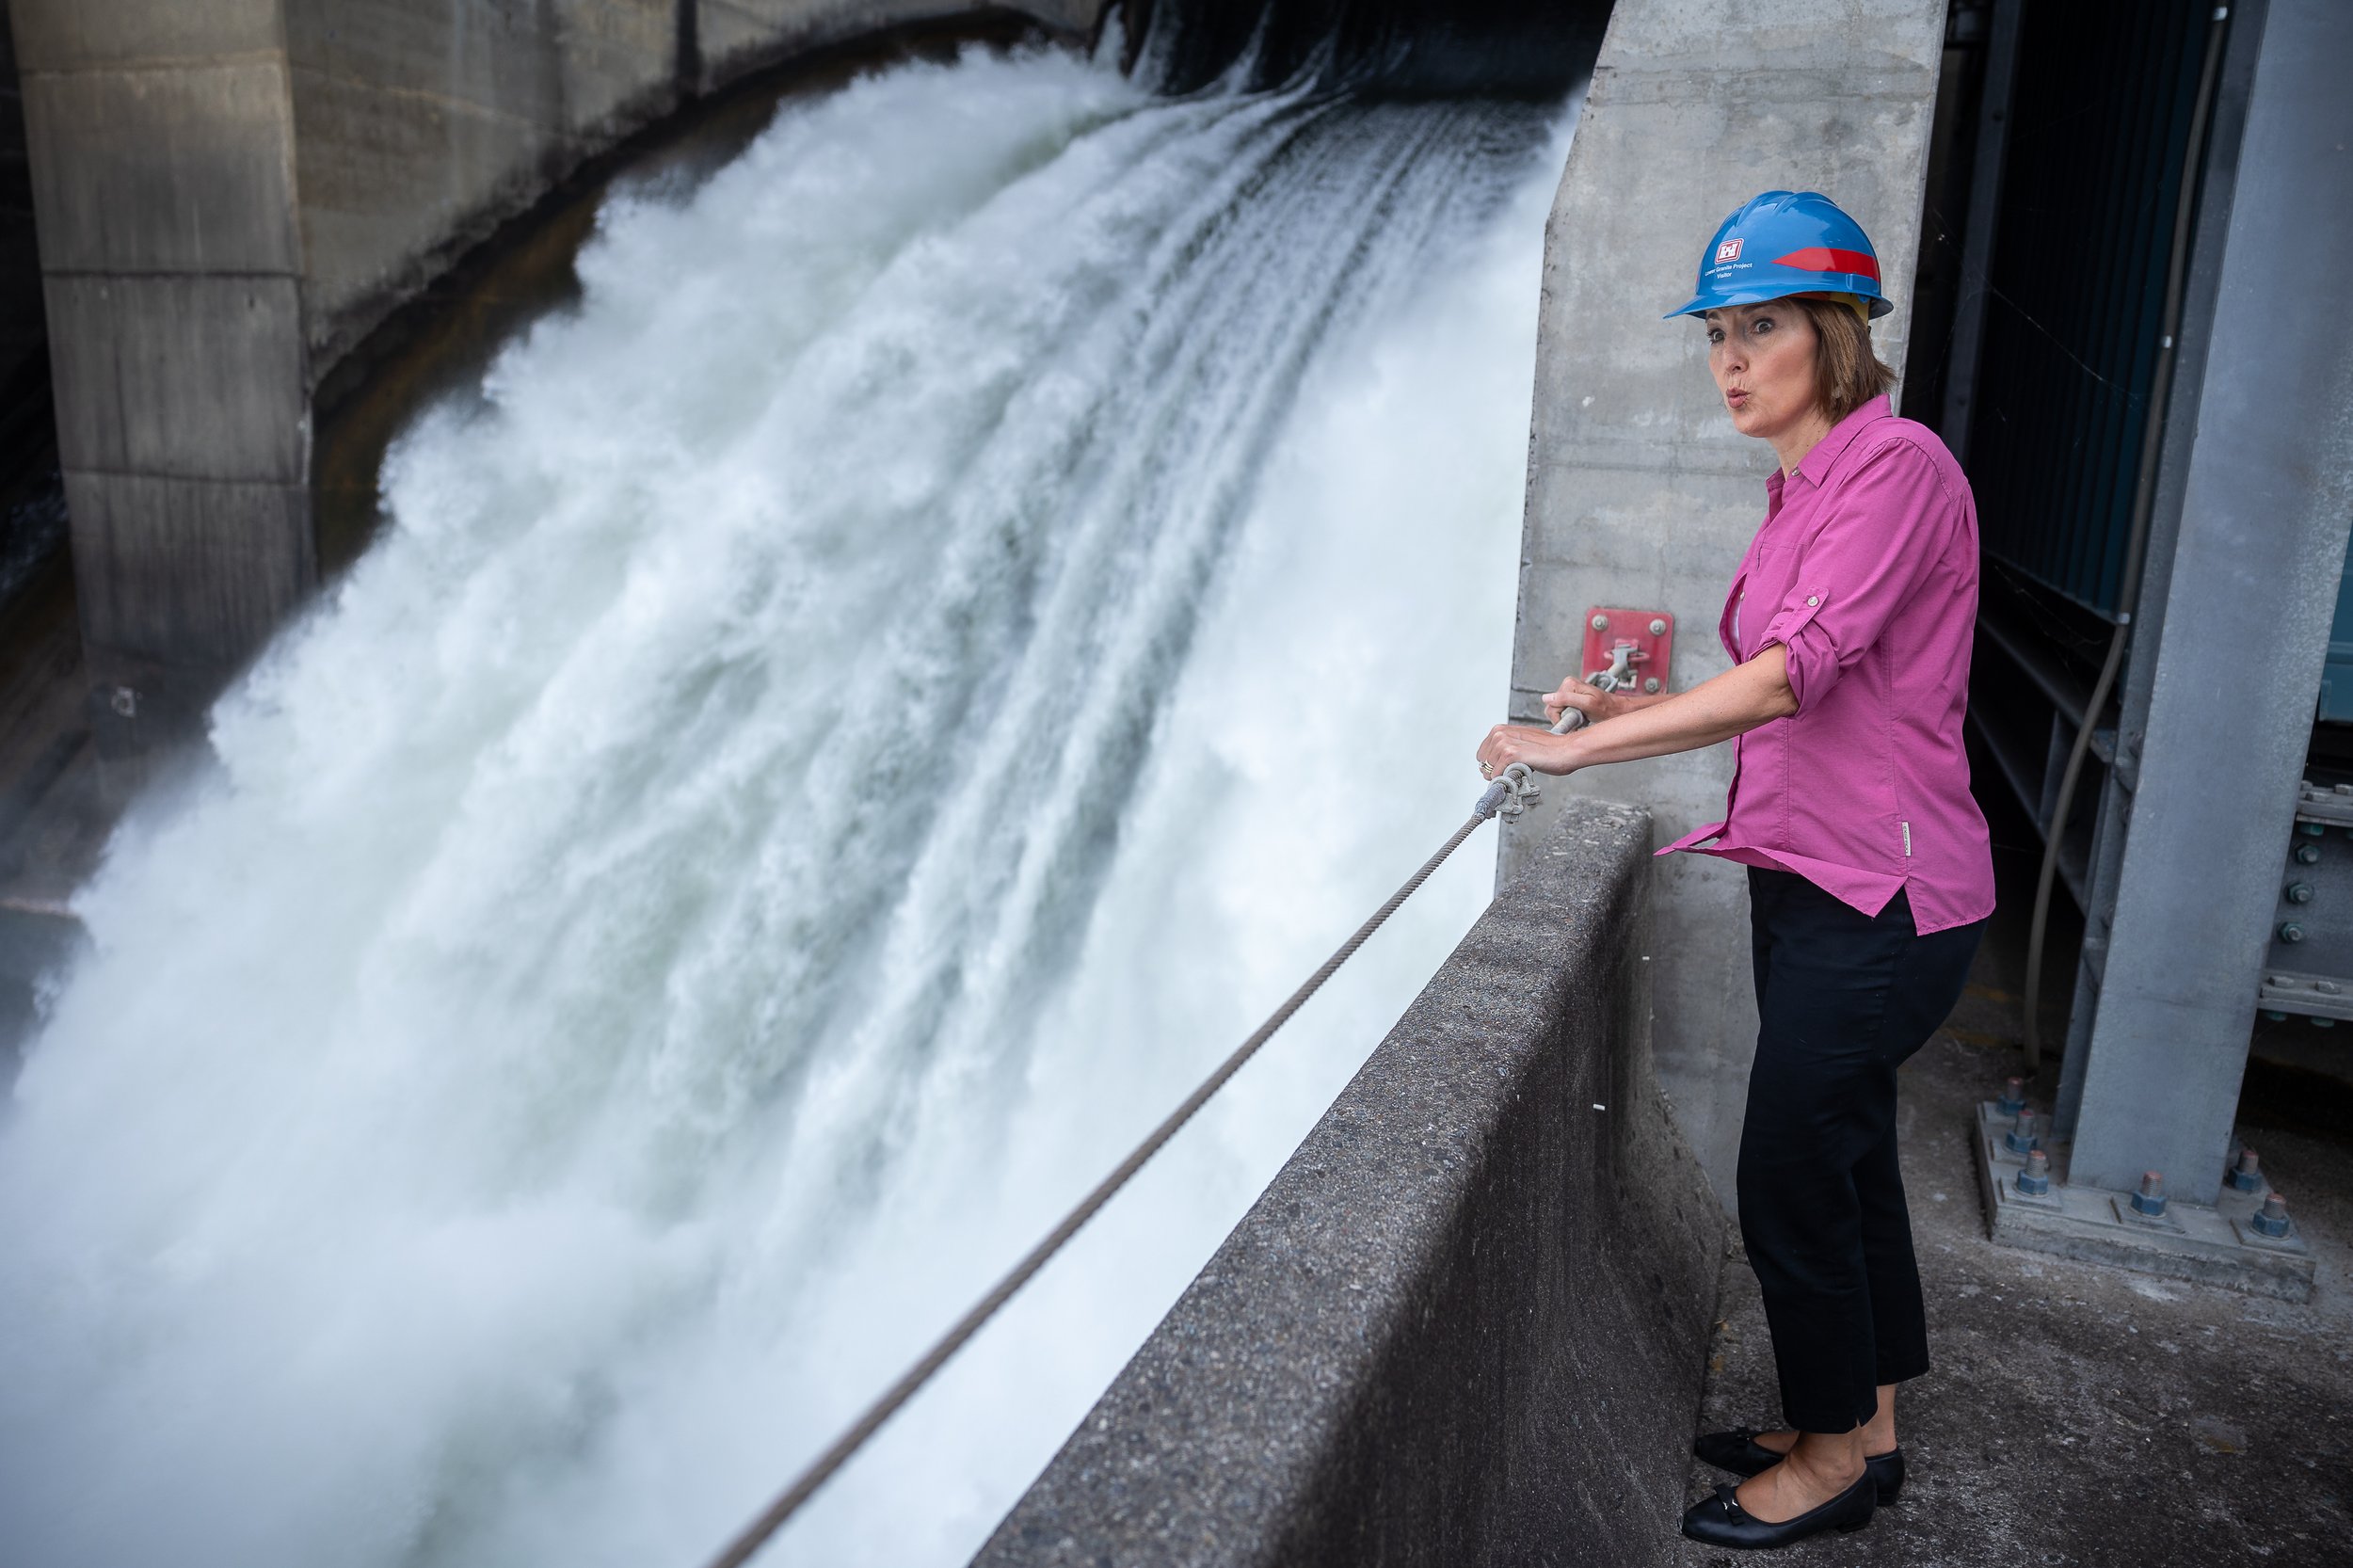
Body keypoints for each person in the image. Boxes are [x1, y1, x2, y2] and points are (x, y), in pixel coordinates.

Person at [1475, 189, 1994, 1550]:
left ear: (1834, 331)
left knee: (1785, 1170)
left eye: (1758, 327)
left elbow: (1782, 684)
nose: (1730, 361)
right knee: (1848, 1155)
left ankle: (1829, 1462)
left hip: (1884, 898)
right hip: (1810, 879)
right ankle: (1864, 1420)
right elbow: (1788, 677)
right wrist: (1615, 705)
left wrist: (1579, 752)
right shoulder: (1804, 491)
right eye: (1716, 333)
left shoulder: (1897, 474)